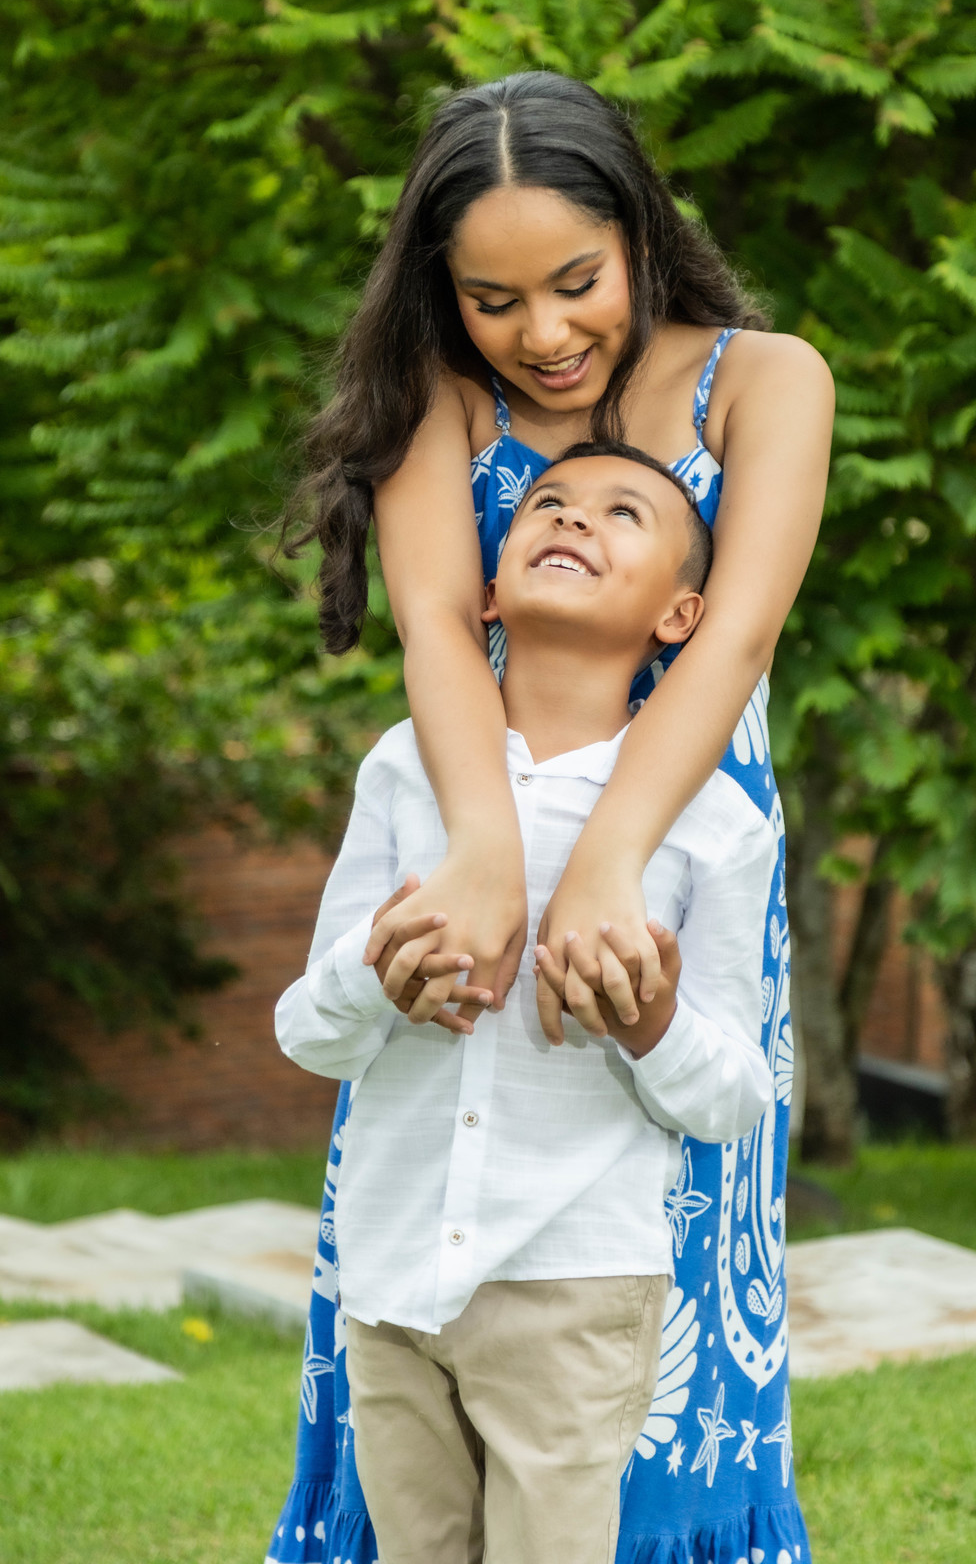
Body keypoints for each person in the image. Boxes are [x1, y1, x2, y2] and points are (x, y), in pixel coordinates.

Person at [269, 70, 833, 1564]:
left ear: (639, 231)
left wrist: (609, 861)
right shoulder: (444, 401)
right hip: (479, 835)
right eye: (493, 299)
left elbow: (734, 638)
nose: (543, 333)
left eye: (577, 281)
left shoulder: (766, 381)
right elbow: (439, 630)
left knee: (659, 1261)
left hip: (678, 859)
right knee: (443, 1216)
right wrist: (479, 852)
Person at [276, 444, 780, 1564]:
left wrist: (652, 1028)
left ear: (681, 615)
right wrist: (373, 974)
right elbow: (308, 1031)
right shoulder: (404, 771)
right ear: (491, 591)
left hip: (575, 1282)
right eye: (545, 502)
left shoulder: (714, 826)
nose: (573, 517)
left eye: (622, 512)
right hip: (392, 1274)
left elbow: (736, 1099)